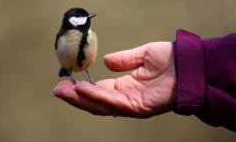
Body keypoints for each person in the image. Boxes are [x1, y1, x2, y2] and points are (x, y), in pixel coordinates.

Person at [52, 29, 236, 132]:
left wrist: (189, 69)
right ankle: (70, 75)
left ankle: (87, 78)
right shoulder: (63, 35)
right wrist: (192, 65)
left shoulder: (92, 34)